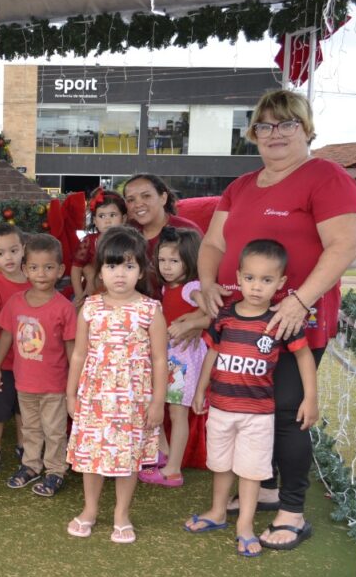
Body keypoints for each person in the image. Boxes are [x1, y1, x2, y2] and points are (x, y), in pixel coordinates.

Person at [196, 89, 356, 549]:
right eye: (265, 126)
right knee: (251, 408)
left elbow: (345, 244)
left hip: (292, 322)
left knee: (287, 412)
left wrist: (300, 301)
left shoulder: (326, 177)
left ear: (306, 129)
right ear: (253, 134)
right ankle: (265, 486)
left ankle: (292, 510)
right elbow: (213, 243)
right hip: (239, 321)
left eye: (287, 123)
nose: (276, 134)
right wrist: (207, 282)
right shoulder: (241, 186)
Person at [185, 240, 318, 556]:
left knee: (251, 470)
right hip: (221, 409)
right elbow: (212, 353)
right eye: (250, 278)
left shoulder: (280, 321)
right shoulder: (225, 317)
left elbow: (304, 357)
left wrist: (310, 398)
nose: (257, 287)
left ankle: (244, 525)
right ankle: (217, 512)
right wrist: (201, 389)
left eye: (266, 280)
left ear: (281, 283)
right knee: (221, 465)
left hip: (257, 414)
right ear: (238, 277)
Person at [65, 226, 168, 544]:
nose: (120, 274)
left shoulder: (150, 310)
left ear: (141, 270)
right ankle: (90, 509)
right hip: (94, 397)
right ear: (100, 271)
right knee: (91, 458)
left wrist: (158, 402)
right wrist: (71, 394)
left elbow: (160, 360)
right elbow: (79, 354)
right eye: (112, 266)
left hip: (133, 402)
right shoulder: (90, 307)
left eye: (128, 265)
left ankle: (122, 514)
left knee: (128, 459)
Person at [0, 234, 76, 497]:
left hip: (54, 385)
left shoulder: (64, 308)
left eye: (48, 267)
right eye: (35, 267)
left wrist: (75, 382)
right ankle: (30, 465)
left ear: (60, 270)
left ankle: (55, 470)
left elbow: (71, 348)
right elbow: (6, 335)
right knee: (29, 428)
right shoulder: (16, 302)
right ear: (25, 269)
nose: (41, 273)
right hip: (24, 382)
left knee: (54, 431)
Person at [138, 227, 207, 488]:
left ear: (189, 260)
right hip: (169, 357)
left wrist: (191, 324)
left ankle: (174, 469)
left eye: (174, 261)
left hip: (184, 360)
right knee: (161, 405)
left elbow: (213, 313)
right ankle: (164, 454)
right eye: (162, 260)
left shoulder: (192, 287)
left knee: (178, 414)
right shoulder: (170, 288)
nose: (166, 267)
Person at [0, 223, 31, 475]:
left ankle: (24, 448)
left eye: (13, 250)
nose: (8, 257)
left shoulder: (34, 279)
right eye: (0, 253)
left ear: (23, 249)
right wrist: (15, 315)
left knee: (24, 409)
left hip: (30, 360)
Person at [122, 174, 202, 298]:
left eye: (146, 196)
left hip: (178, 304)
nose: (138, 204)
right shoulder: (125, 231)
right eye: (131, 200)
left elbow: (204, 276)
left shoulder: (187, 231)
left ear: (163, 198)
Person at [71, 190, 126, 307]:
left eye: (113, 215)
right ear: (95, 221)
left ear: (123, 218)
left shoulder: (129, 242)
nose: (107, 221)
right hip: (93, 294)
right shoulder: (89, 241)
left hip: (122, 294)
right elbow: (76, 267)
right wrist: (79, 295)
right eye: (102, 216)